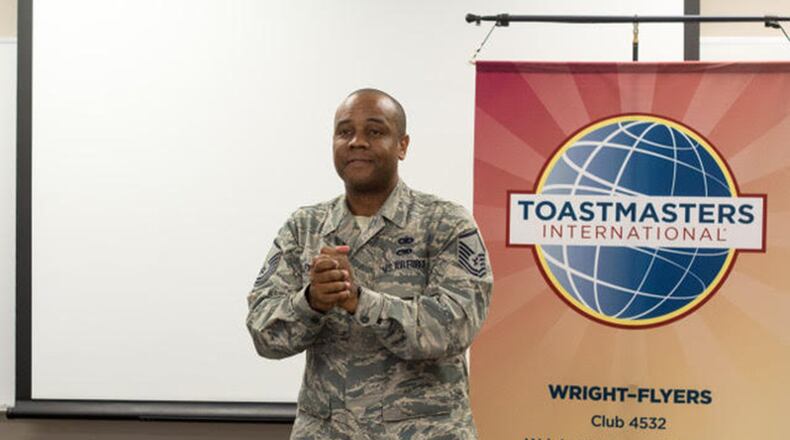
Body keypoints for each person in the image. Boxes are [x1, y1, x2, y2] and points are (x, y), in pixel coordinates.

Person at [246, 88, 493, 439]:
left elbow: (456, 326)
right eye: (345, 132)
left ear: (403, 145)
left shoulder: (446, 223)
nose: (357, 142)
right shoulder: (304, 227)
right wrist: (311, 302)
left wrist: (361, 302)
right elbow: (263, 332)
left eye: (375, 131)